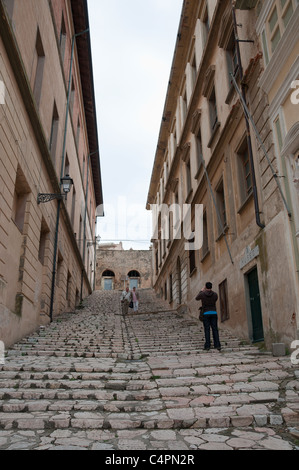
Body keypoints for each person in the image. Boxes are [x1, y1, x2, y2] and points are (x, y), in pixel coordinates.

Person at [196, 282, 221, 351]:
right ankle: (217, 345)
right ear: (211, 287)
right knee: (215, 329)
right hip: (214, 312)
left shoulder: (202, 294)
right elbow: (215, 299)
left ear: (205, 287)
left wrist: (201, 290)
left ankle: (207, 345)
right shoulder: (215, 294)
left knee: (207, 329)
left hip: (206, 313)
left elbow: (196, 298)